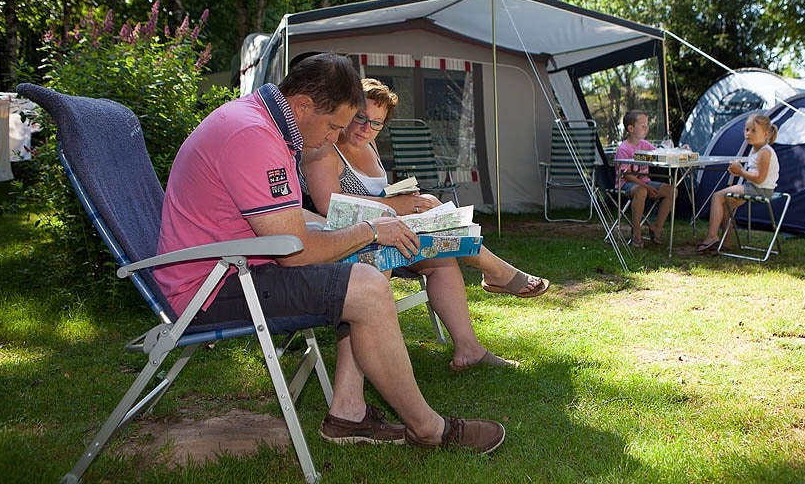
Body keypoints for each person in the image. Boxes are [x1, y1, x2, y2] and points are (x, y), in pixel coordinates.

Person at [153, 54, 505, 453]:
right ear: (303, 105)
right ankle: (429, 429)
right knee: (368, 287)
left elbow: (284, 221)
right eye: (334, 125)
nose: (333, 137)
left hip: (234, 267)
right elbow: (295, 252)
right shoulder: (251, 136)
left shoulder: (263, 124)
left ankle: (347, 412)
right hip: (211, 289)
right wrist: (370, 228)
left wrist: (361, 234)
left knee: (364, 263)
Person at [299, 79, 550, 371]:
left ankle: (468, 348)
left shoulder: (369, 144)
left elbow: (375, 193)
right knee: (434, 231)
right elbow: (330, 206)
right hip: (348, 241)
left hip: (387, 234)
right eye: (361, 118)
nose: (366, 128)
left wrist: (404, 198)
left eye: (377, 123)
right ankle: (498, 272)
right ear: (348, 110)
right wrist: (400, 206)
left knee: (440, 255)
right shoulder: (324, 147)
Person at [697, 113, 779, 252]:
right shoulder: (755, 149)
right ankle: (726, 242)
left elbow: (759, 178)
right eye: (747, 130)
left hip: (761, 189)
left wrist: (740, 171)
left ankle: (712, 236)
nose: (749, 133)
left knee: (717, 196)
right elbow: (753, 174)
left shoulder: (765, 152)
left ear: (765, 134)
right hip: (753, 186)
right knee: (726, 204)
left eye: (753, 131)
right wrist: (737, 171)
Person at [613, 110, 675, 247]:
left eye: (647, 125)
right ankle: (636, 230)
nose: (646, 128)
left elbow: (660, 153)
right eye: (642, 125)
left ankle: (657, 226)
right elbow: (626, 174)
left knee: (671, 190)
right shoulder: (623, 149)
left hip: (645, 182)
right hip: (626, 184)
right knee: (642, 191)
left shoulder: (645, 145)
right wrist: (647, 187)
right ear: (630, 128)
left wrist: (679, 150)